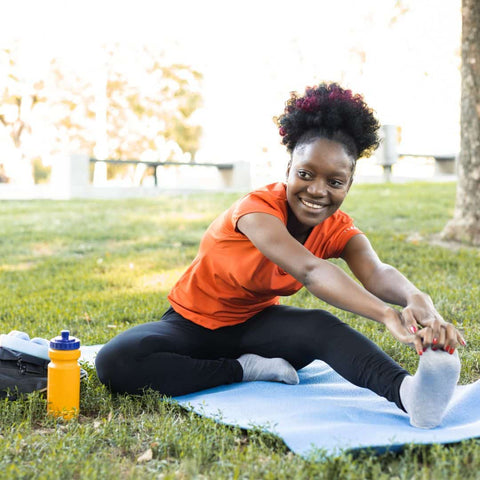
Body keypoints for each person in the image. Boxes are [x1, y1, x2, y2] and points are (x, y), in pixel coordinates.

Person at [96, 82, 466, 429]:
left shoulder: (338, 228)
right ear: (288, 170)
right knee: (116, 362)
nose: (318, 191)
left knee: (320, 327)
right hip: (192, 325)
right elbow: (310, 270)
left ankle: (410, 395)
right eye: (306, 174)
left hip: (258, 328)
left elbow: (376, 271)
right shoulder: (256, 211)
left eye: (335, 182)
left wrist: (417, 298)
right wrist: (385, 313)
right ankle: (243, 370)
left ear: (349, 185)